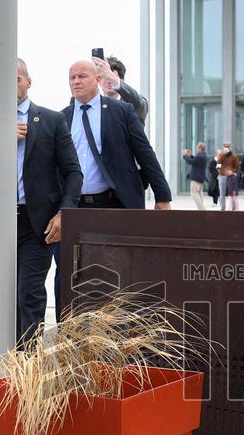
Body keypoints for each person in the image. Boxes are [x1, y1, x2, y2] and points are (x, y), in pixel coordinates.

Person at [0, 58, 82, 344]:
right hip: (1, 222)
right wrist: (1, 141)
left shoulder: (52, 120)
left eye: (17, 78)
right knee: (3, 294)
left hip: (37, 222)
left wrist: (64, 214)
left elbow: (73, 172)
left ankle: (28, 362)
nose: (11, 84)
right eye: (5, 79)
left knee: (29, 291)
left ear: (29, 82)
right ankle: (8, 361)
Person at [62, 60, 171, 301]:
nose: (76, 82)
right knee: (71, 273)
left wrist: (162, 196)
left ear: (98, 80)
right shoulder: (62, 118)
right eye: (72, 77)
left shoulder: (121, 112)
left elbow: (145, 153)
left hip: (114, 203)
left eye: (82, 76)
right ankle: (71, 332)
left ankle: (121, 332)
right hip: (75, 208)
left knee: (120, 270)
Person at [94, 55, 148, 124]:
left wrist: (111, 76)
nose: (108, 81)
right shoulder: (95, 106)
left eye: (111, 77)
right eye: (105, 77)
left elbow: (140, 103)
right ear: (98, 80)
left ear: (121, 80)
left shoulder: (134, 104)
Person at [183, 143, 208, 210]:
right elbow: (195, 160)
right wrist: (190, 155)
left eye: (197, 148)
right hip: (201, 178)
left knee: (194, 193)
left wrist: (185, 156)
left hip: (196, 179)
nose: (196, 149)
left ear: (200, 148)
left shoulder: (200, 156)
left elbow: (191, 162)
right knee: (199, 194)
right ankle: (201, 208)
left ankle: (201, 209)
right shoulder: (203, 155)